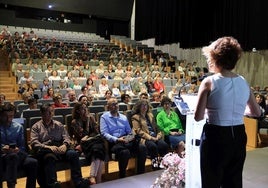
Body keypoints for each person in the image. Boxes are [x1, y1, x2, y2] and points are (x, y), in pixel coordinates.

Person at [194, 36, 261, 188]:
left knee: (211, 181)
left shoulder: (209, 82)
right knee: (234, 182)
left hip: (215, 136)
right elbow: (256, 112)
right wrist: (235, 110)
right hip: (238, 135)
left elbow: (198, 117)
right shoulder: (243, 81)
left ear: (215, 57)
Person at [30, 103, 90, 188]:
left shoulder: (58, 124)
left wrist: (65, 145)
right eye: (48, 112)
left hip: (60, 147)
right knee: (49, 157)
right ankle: (53, 184)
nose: (51, 114)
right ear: (42, 114)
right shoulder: (36, 127)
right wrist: (48, 147)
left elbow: (67, 137)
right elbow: (34, 142)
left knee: (73, 154)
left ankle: (78, 181)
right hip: (48, 150)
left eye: (52, 112)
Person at [100, 98, 147, 178]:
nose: (116, 106)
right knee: (125, 152)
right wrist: (117, 139)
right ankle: (122, 175)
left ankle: (140, 173)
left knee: (142, 147)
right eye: (113, 104)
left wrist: (130, 136)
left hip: (126, 140)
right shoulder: (104, 117)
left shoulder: (123, 117)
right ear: (108, 107)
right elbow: (104, 133)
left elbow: (129, 131)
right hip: (114, 142)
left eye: (116, 103)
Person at [0, 103, 37, 188]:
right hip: (2, 156)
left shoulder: (18, 127)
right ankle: (11, 186)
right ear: (1, 115)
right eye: (6, 116)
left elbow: (22, 147)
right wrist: (2, 149)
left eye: (11, 116)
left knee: (33, 162)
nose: (9, 119)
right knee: (12, 157)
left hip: (16, 155)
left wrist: (17, 150)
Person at [70, 103, 105, 184]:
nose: (85, 110)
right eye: (83, 108)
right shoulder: (74, 122)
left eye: (86, 108)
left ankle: (93, 178)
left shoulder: (91, 117)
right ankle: (97, 180)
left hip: (93, 141)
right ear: (78, 111)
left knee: (98, 149)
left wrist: (89, 136)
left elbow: (97, 132)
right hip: (83, 144)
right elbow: (82, 135)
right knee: (98, 150)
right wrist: (88, 121)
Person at [131, 99, 169, 170]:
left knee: (164, 145)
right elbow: (138, 131)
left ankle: (164, 166)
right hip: (145, 138)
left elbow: (157, 127)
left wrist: (158, 135)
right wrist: (151, 138)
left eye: (146, 105)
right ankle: (155, 167)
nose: (144, 107)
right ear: (139, 107)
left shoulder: (150, 115)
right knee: (153, 147)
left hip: (155, 136)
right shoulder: (135, 117)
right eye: (142, 105)